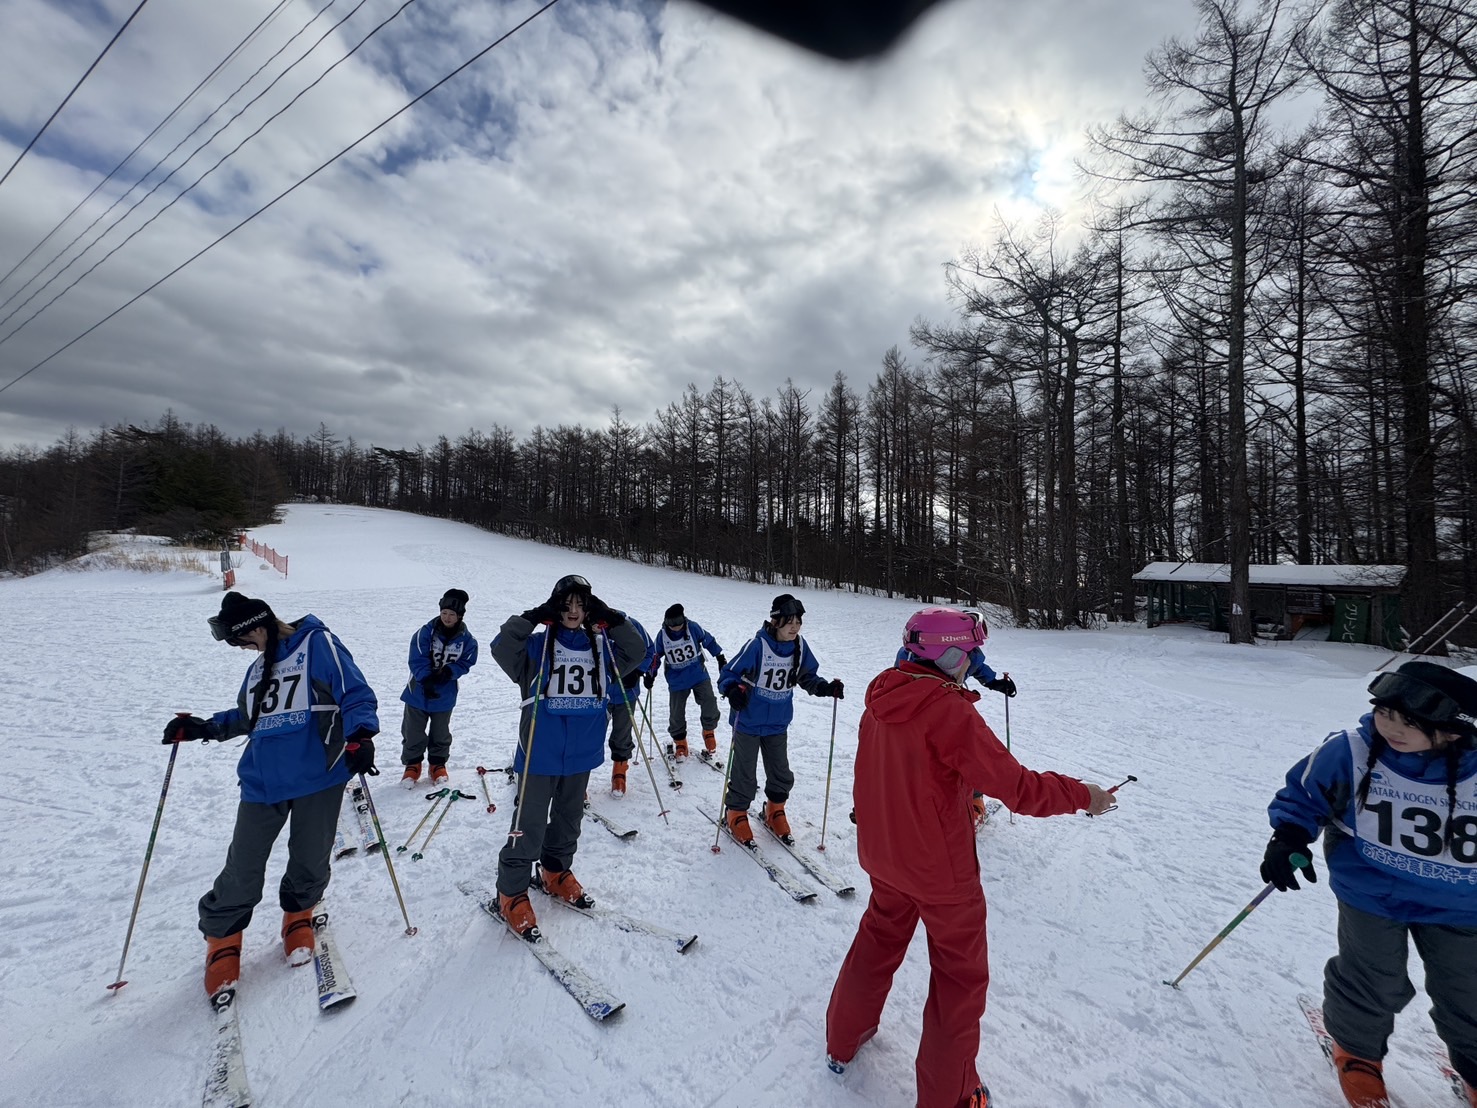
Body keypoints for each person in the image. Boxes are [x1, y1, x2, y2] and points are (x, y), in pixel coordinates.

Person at [825, 606, 1114, 1108]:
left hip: (885, 856)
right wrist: (1083, 795)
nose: (975, 663)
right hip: (941, 875)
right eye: (971, 653)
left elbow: (870, 776)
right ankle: (952, 1096)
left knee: (878, 940)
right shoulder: (948, 711)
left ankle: (841, 1041)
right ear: (950, 656)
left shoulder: (882, 695)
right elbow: (1017, 788)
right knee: (960, 979)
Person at [1261, 661, 1477, 1108]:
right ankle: (1357, 1053)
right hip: (1373, 892)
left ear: (1453, 731)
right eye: (1385, 713)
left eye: (1410, 723)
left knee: (1468, 990)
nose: (1391, 728)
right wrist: (1289, 837)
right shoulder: (1351, 750)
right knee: (1372, 978)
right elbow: (1305, 794)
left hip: (1462, 904)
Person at [162, 592, 379, 999]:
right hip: (263, 780)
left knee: (310, 855)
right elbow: (249, 717)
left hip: (318, 774)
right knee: (243, 864)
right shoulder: (258, 668)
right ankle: (223, 940)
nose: (241, 648)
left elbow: (354, 692)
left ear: (258, 627)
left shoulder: (317, 643)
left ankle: (298, 914)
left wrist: (361, 734)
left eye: (241, 640)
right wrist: (204, 728)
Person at [490, 575, 645, 938]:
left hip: (581, 752)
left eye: (581, 604)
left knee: (568, 819)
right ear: (555, 608)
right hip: (539, 752)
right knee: (528, 824)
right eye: (566, 604)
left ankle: (555, 871)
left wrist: (614, 619)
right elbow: (501, 646)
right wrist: (532, 616)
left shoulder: (602, 649)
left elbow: (637, 651)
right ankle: (511, 891)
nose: (574, 611)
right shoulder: (536, 647)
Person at [715, 594, 842, 844]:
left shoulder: (799, 647)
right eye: (789, 622)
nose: (795, 627)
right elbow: (728, 673)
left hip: (777, 723)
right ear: (775, 622)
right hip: (748, 721)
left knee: (780, 771)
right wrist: (731, 691)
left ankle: (774, 810)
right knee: (744, 773)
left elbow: (807, 676)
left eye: (798, 622)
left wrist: (825, 688)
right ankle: (736, 813)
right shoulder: (757, 646)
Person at [893, 609, 1016, 825]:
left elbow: (977, 665)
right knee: (914, 755)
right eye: (970, 647)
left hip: (951, 702)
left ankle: (974, 800)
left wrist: (993, 682)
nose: (973, 654)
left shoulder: (970, 656)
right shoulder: (909, 657)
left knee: (965, 752)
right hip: (922, 708)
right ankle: (894, 799)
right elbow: (900, 679)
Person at [399, 588, 478, 788]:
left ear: (460, 616)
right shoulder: (425, 632)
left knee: (440, 733)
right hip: (418, 691)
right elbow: (416, 657)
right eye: (444, 613)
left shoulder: (467, 640)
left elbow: (467, 661)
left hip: (445, 694)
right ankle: (412, 765)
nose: (447, 618)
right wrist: (426, 679)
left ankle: (437, 764)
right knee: (413, 730)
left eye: (452, 614)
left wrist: (449, 671)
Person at [647, 603, 727, 762]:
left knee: (709, 701)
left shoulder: (693, 628)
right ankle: (680, 741)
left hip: (698, 675)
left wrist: (720, 657)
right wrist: (651, 674)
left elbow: (708, 640)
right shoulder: (662, 636)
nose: (675, 627)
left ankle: (708, 730)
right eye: (671, 624)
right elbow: (655, 656)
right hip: (677, 680)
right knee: (676, 712)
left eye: (678, 623)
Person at [605, 614, 655, 795]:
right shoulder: (587, 626)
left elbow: (650, 650)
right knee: (588, 736)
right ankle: (579, 780)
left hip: (626, 692)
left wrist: (638, 671)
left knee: (623, 733)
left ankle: (619, 772)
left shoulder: (630, 623)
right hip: (598, 695)